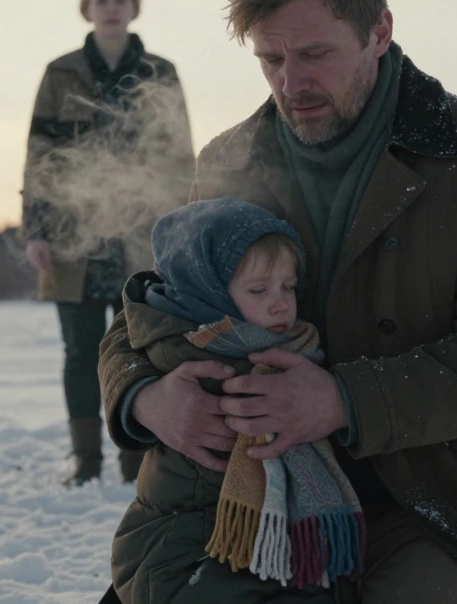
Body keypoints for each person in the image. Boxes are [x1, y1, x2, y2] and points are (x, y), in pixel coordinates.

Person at [99, 0, 457, 603]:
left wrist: (341, 399)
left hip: (444, 499)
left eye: (315, 53)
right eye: (270, 59)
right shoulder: (230, 160)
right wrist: (146, 398)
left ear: (378, 32)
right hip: (262, 498)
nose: (291, 83)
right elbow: (148, 312)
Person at [111, 197, 364, 599]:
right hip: (189, 543)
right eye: (259, 289)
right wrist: (139, 396)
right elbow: (124, 339)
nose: (281, 303)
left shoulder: (294, 349)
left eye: (289, 287)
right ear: (208, 293)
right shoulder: (202, 357)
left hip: (254, 545)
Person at [21, 0, 194, 488]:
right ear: (87, 6)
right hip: (74, 234)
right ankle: (86, 459)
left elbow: (180, 157)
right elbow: (38, 155)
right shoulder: (61, 74)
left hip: (140, 237)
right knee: (80, 352)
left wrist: (182, 230)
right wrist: (36, 229)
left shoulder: (159, 72)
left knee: (141, 348)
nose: (112, 6)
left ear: (133, 5)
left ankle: (134, 457)